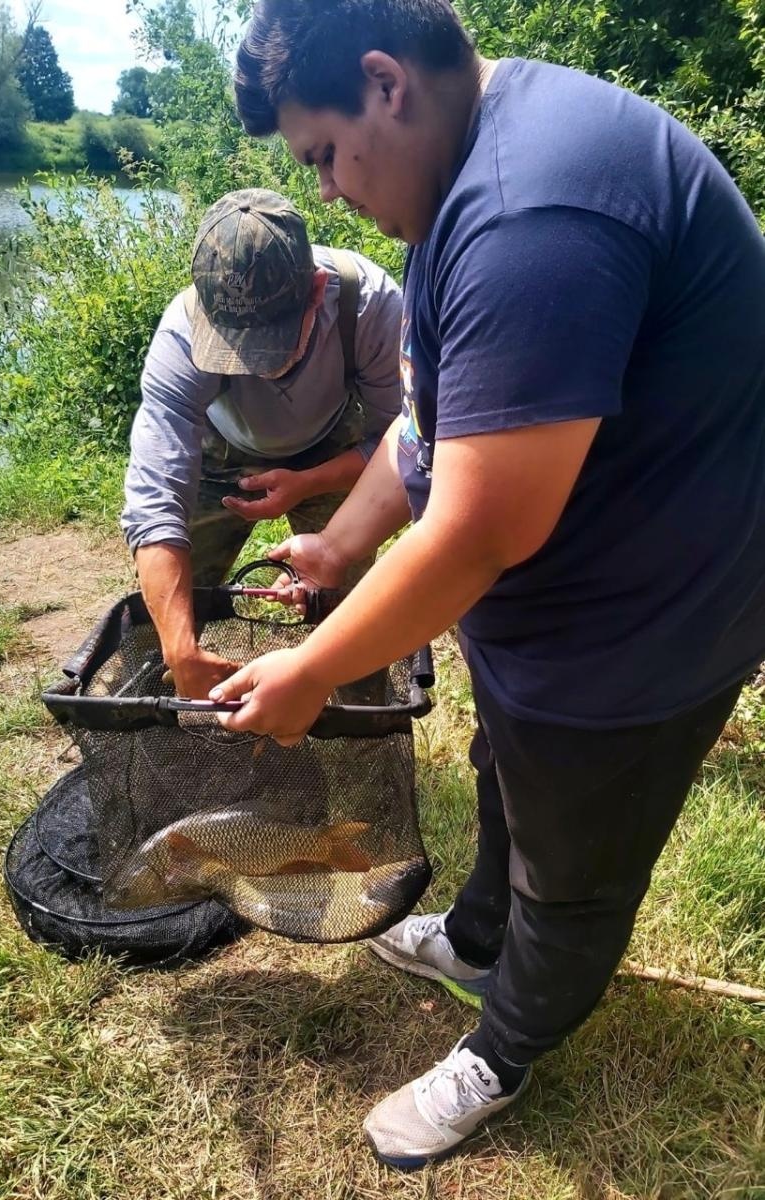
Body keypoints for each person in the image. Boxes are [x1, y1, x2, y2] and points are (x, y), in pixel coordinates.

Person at [209, 0, 765, 1171]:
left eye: (321, 155)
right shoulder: (461, 165)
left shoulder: (530, 213)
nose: (326, 193)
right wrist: (340, 546)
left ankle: (504, 1050)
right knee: (506, 770)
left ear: (385, 83)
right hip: (564, 597)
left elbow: (476, 535)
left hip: (651, 620)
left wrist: (313, 672)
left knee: (574, 863)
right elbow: (429, 429)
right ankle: (473, 937)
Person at [121, 188, 403, 698]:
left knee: (353, 612)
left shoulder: (371, 306)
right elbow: (154, 498)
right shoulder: (180, 337)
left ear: (316, 291)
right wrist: (179, 648)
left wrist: (310, 484)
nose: (251, 364)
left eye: (268, 344)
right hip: (217, 455)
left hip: (332, 449)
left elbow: (402, 440)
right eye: (232, 348)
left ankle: (360, 735)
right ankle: (159, 730)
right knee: (162, 625)